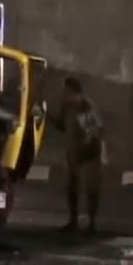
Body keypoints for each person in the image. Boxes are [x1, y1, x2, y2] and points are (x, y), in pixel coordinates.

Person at [52, 77, 103, 233]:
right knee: (73, 187)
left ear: (73, 90)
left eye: (66, 90)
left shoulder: (85, 105)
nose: (64, 93)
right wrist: (48, 117)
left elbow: (96, 126)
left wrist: (89, 139)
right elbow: (62, 125)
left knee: (91, 187)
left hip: (89, 152)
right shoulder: (67, 106)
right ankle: (73, 221)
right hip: (73, 152)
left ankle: (92, 224)